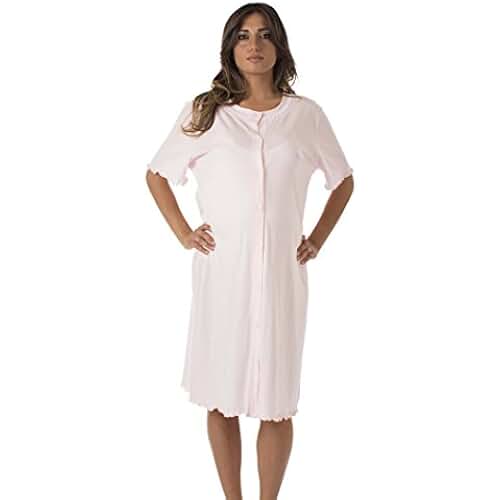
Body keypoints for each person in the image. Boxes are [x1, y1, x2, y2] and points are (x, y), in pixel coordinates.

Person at [145, 3, 354, 499]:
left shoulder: (305, 116)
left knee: (276, 401)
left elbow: (343, 180)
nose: (254, 45)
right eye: (242, 36)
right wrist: (184, 232)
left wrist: (317, 239)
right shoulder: (205, 112)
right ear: (230, 48)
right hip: (224, 275)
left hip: (282, 277)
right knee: (220, 396)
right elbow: (157, 174)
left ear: (279, 45)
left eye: (264, 35)